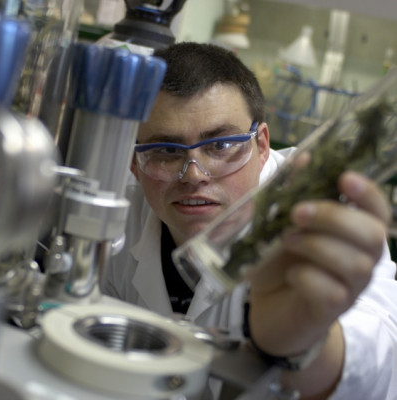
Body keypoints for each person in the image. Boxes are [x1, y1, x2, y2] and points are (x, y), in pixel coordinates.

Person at [101, 42, 397, 399]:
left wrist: (300, 344)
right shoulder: (115, 212)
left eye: (220, 145)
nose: (194, 175)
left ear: (261, 145)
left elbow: (377, 358)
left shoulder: (320, 215)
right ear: (135, 163)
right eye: (165, 150)